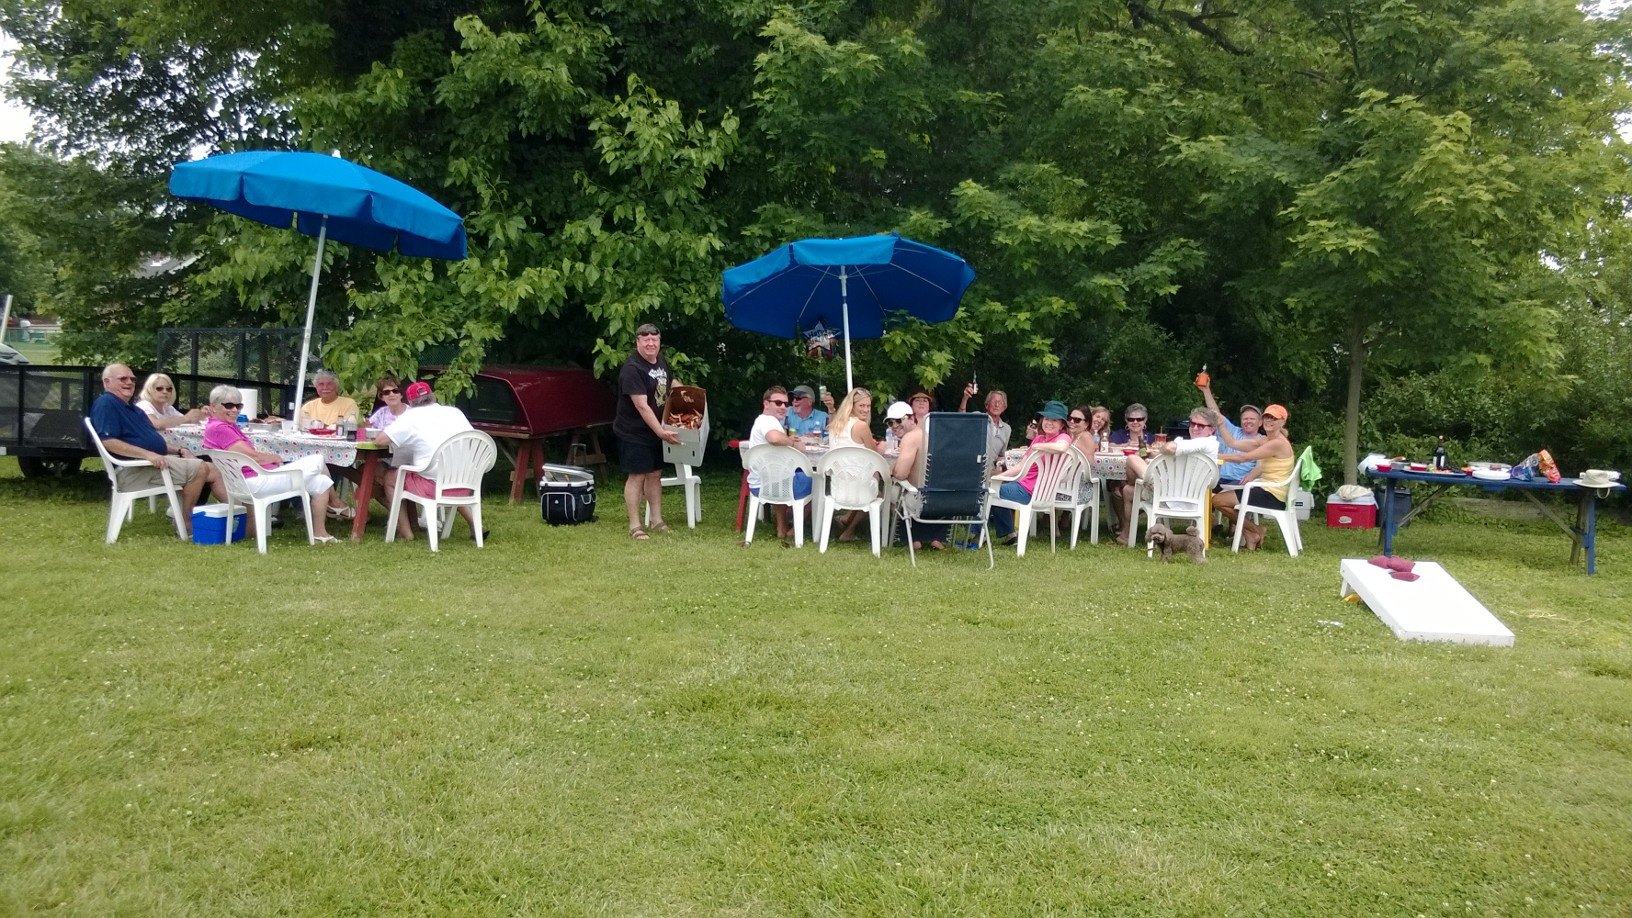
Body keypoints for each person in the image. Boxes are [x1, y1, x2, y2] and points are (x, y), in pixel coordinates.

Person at [89, 363, 220, 539]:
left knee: (212, 468)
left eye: (132, 379)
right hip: (133, 470)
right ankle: (186, 522)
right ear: (107, 382)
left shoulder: (132, 409)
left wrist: (180, 449)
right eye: (123, 379)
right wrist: (148, 455)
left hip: (152, 464)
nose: (129, 382)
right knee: (201, 469)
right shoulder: (106, 404)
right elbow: (109, 442)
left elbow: (153, 441)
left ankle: (239, 515)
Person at [202, 385, 340, 543]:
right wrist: (274, 457)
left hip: (251, 479)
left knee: (321, 482)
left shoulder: (220, 426)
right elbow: (253, 457)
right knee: (318, 459)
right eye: (228, 405)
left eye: (238, 406)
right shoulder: (220, 429)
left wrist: (271, 459)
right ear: (213, 406)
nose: (234, 410)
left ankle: (320, 533)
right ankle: (336, 504)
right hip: (255, 481)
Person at [372, 380, 481, 542]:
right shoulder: (455, 412)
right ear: (433, 397)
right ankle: (474, 525)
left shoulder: (411, 416)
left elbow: (380, 440)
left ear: (410, 402)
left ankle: (406, 532)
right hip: (465, 482)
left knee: (390, 477)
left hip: (432, 486)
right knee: (438, 469)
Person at [613, 323, 682, 541]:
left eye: (655, 339)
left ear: (659, 342)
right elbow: (642, 405)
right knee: (637, 476)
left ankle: (657, 520)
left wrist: (692, 396)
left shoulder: (661, 361)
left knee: (655, 474)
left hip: (656, 430)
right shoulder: (632, 368)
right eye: (646, 340)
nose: (651, 343)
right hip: (634, 431)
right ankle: (635, 525)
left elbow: (671, 384)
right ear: (638, 342)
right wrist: (661, 432)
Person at [1210, 403, 1296, 547]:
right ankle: (1251, 534)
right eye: (1267, 417)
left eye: (1274, 418)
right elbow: (1233, 443)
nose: (1269, 421)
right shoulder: (1265, 440)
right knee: (1218, 500)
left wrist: (1212, 455)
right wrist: (1221, 424)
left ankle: (1257, 530)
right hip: (1266, 490)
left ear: (1282, 422)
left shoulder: (1278, 443)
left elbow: (1243, 458)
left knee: (1218, 501)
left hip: (1271, 495)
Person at [986, 400, 1073, 544]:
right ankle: (1011, 535)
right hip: (1025, 487)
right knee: (991, 488)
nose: (1049, 422)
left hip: (1032, 491)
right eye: (1046, 419)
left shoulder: (1063, 437)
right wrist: (998, 477)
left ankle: (980, 536)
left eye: (1054, 420)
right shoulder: (1039, 438)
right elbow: (1021, 467)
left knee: (987, 493)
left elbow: (1062, 448)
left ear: (1062, 424)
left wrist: (1039, 446)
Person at [745, 385, 811, 539]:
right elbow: (774, 438)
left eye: (785, 404)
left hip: (759, 484)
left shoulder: (762, 421)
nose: (783, 407)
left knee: (781, 475)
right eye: (778, 403)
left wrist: (788, 439)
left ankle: (781, 528)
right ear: (766, 404)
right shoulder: (768, 421)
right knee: (817, 480)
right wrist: (794, 444)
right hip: (769, 484)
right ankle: (795, 530)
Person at [888, 403, 949, 551]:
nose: (894, 425)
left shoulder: (910, 438)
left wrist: (891, 469)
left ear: (912, 418)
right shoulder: (930, 437)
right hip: (945, 500)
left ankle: (910, 538)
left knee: (887, 489)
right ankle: (934, 538)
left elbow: (901, 474)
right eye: (890, 422)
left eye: (899, 420)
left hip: (920, 500)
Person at [1199, 381, 1263, 485]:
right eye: (1245, 419)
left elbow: (1261, 466)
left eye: (1252, 419)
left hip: (1238, 481)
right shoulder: (1233, 430)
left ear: (1260, 422)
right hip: (1218, 477)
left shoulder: (1262, 440)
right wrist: (1206, 390)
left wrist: (1251, 477)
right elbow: (1215, 414)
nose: (1248, 421)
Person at [960, 383, 1012, 473]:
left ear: (1004, 408)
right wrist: (965, 398)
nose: (996, 405)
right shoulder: (978, 417)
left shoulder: (1007, 429)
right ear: (986, 405)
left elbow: (1001, 455)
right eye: (993, 401)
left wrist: (1000, 466)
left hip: (990, 473)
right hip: (969, 468)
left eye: (1000, 402)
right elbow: (960, 421)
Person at [136, 373, 204, 430]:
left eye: (169, 389)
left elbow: (188, 421)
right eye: (159, 388)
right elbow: (155, 424)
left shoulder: (168, 408)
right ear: (149, 390)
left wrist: (202, 414)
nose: (165, 392)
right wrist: (185, 418)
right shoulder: (143, 405)